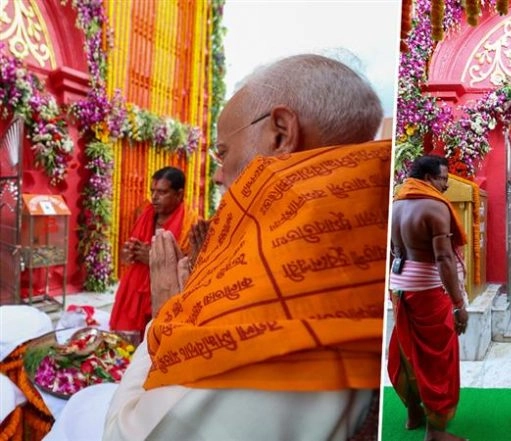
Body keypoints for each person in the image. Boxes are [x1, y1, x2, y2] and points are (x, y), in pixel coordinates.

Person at [104, 54, 390, 440]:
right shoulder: (366, 237)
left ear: (280, 134)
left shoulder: (273, 293)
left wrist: (167, 312)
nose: (219, 174)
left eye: (223, 152)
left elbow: (126, 435)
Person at [387, 155, 469, 441]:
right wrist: (459, 305)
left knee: (408, 352)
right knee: (437, 360)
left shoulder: (396, 202)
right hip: (427, 291)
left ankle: (414, 413)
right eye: (442, 179)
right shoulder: (435, 207)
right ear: (427, 178)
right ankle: (435, 432)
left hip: (398, 288)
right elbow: (444, 258)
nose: (445, 186)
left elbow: (391, 252)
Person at [109, 166, 197, 336]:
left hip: (166, 297)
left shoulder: (191, 225)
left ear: (179, 194)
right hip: (134, 291)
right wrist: (127, 253)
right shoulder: (144, 213)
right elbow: (127, 253)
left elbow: (190, 269)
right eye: (153, 191)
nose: (154, 198)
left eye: (162, 192)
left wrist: (154, 259)